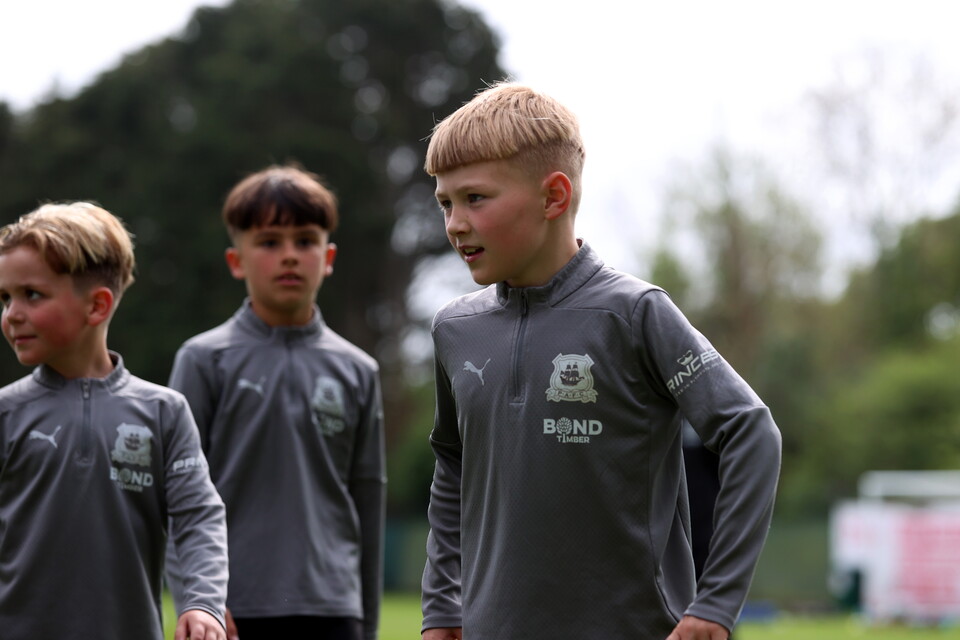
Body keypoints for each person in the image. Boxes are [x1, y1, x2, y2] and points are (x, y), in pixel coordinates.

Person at [419, 83, 782, 640]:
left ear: (554, 197)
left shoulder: (635, 314)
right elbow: (453, 465)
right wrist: (442, 606)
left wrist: (715, 604)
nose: (455, 224)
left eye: (475, 199)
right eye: (446, 202)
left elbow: (750, 431)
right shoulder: (454, 329)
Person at [165, 164, 386, 640]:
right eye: (269, 242)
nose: (289, 256)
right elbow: (176, 497)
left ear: (328, 256)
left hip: (333, 612)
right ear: (236, 260)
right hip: (232, 610)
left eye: (305, 241)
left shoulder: (358, 370)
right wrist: (197, 599)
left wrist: (366, 625)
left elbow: (368, 502)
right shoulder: (204, 360)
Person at [0, 202, 228, 640]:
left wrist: (202, 603)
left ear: (97, 306)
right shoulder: (7, 414)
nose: (12, 314)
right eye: (5, 297)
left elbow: (198, 516)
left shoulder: (165, 413)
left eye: (32, 294)